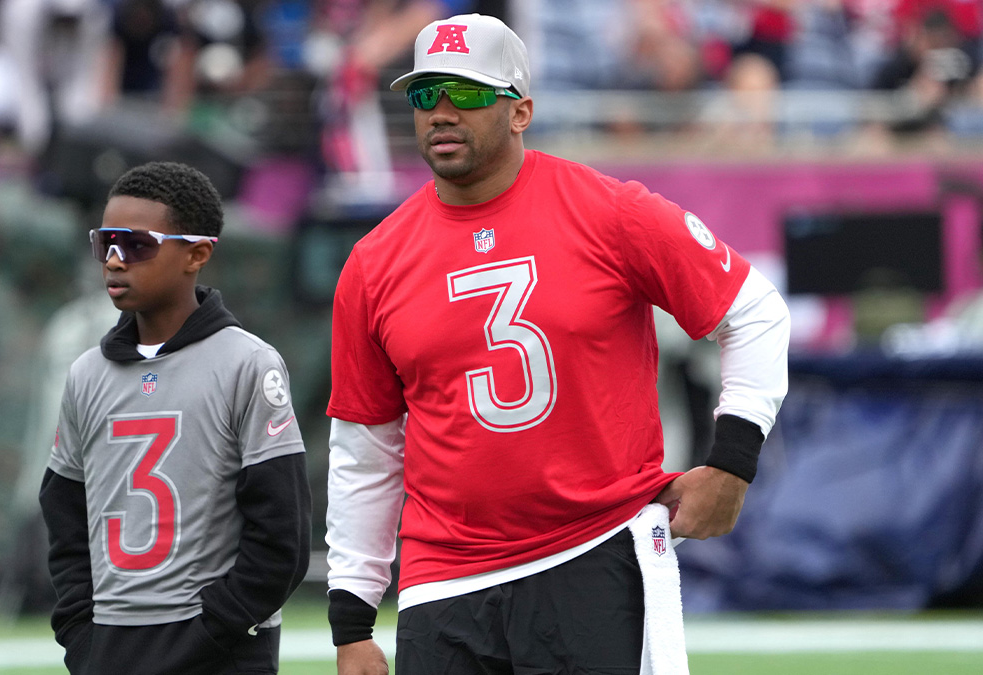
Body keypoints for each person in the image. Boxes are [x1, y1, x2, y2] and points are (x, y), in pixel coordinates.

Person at [324, 13, 791, 674]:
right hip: (445, 575)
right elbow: (365, 448)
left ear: (520, 112)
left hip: (595, 549)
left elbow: (755, 311)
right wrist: (352, 615)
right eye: (426, 95)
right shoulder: (374, 262)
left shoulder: (610, 212)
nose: (442, 112)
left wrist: (734, 461)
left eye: (469, 93)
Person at [38, 161, 312, 675]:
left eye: (137, 244)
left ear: (197, 254)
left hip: (217, 649)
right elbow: (64, 514)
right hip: (113, 644)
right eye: (106, 243)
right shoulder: (86, 373)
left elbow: (282, 533)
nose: (116, 261)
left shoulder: (247, 364)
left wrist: (217, 625)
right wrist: (79, 629)